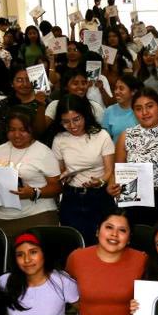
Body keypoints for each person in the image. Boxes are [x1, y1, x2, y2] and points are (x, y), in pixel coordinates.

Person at [0, 109, 62, 241]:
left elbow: (57, 187)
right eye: (12, 130)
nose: (17, 135)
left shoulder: (43, 152)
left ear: (32, 130)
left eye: (23, 130)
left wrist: (34, 192)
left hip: (38, 216)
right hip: (4, 218)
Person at [51, 95, 115, 247]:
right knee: (74, 244)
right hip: (71, 197)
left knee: (101, 243)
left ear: (85, 115)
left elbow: (109, 171)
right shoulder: (59, 139)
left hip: (99, 196)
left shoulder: (101, 135)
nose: (72, 125)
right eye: (66, 121)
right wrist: (64, 176)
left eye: (76, 119)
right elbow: (60, 170)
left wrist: (100, 182)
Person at [112, 89, 158, 226]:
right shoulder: (127, 136)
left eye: (150, 106)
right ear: (133, 112)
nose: (145, 112)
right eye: (138, 108)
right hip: (135, 201)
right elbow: (116, 173)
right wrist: (112, 186)